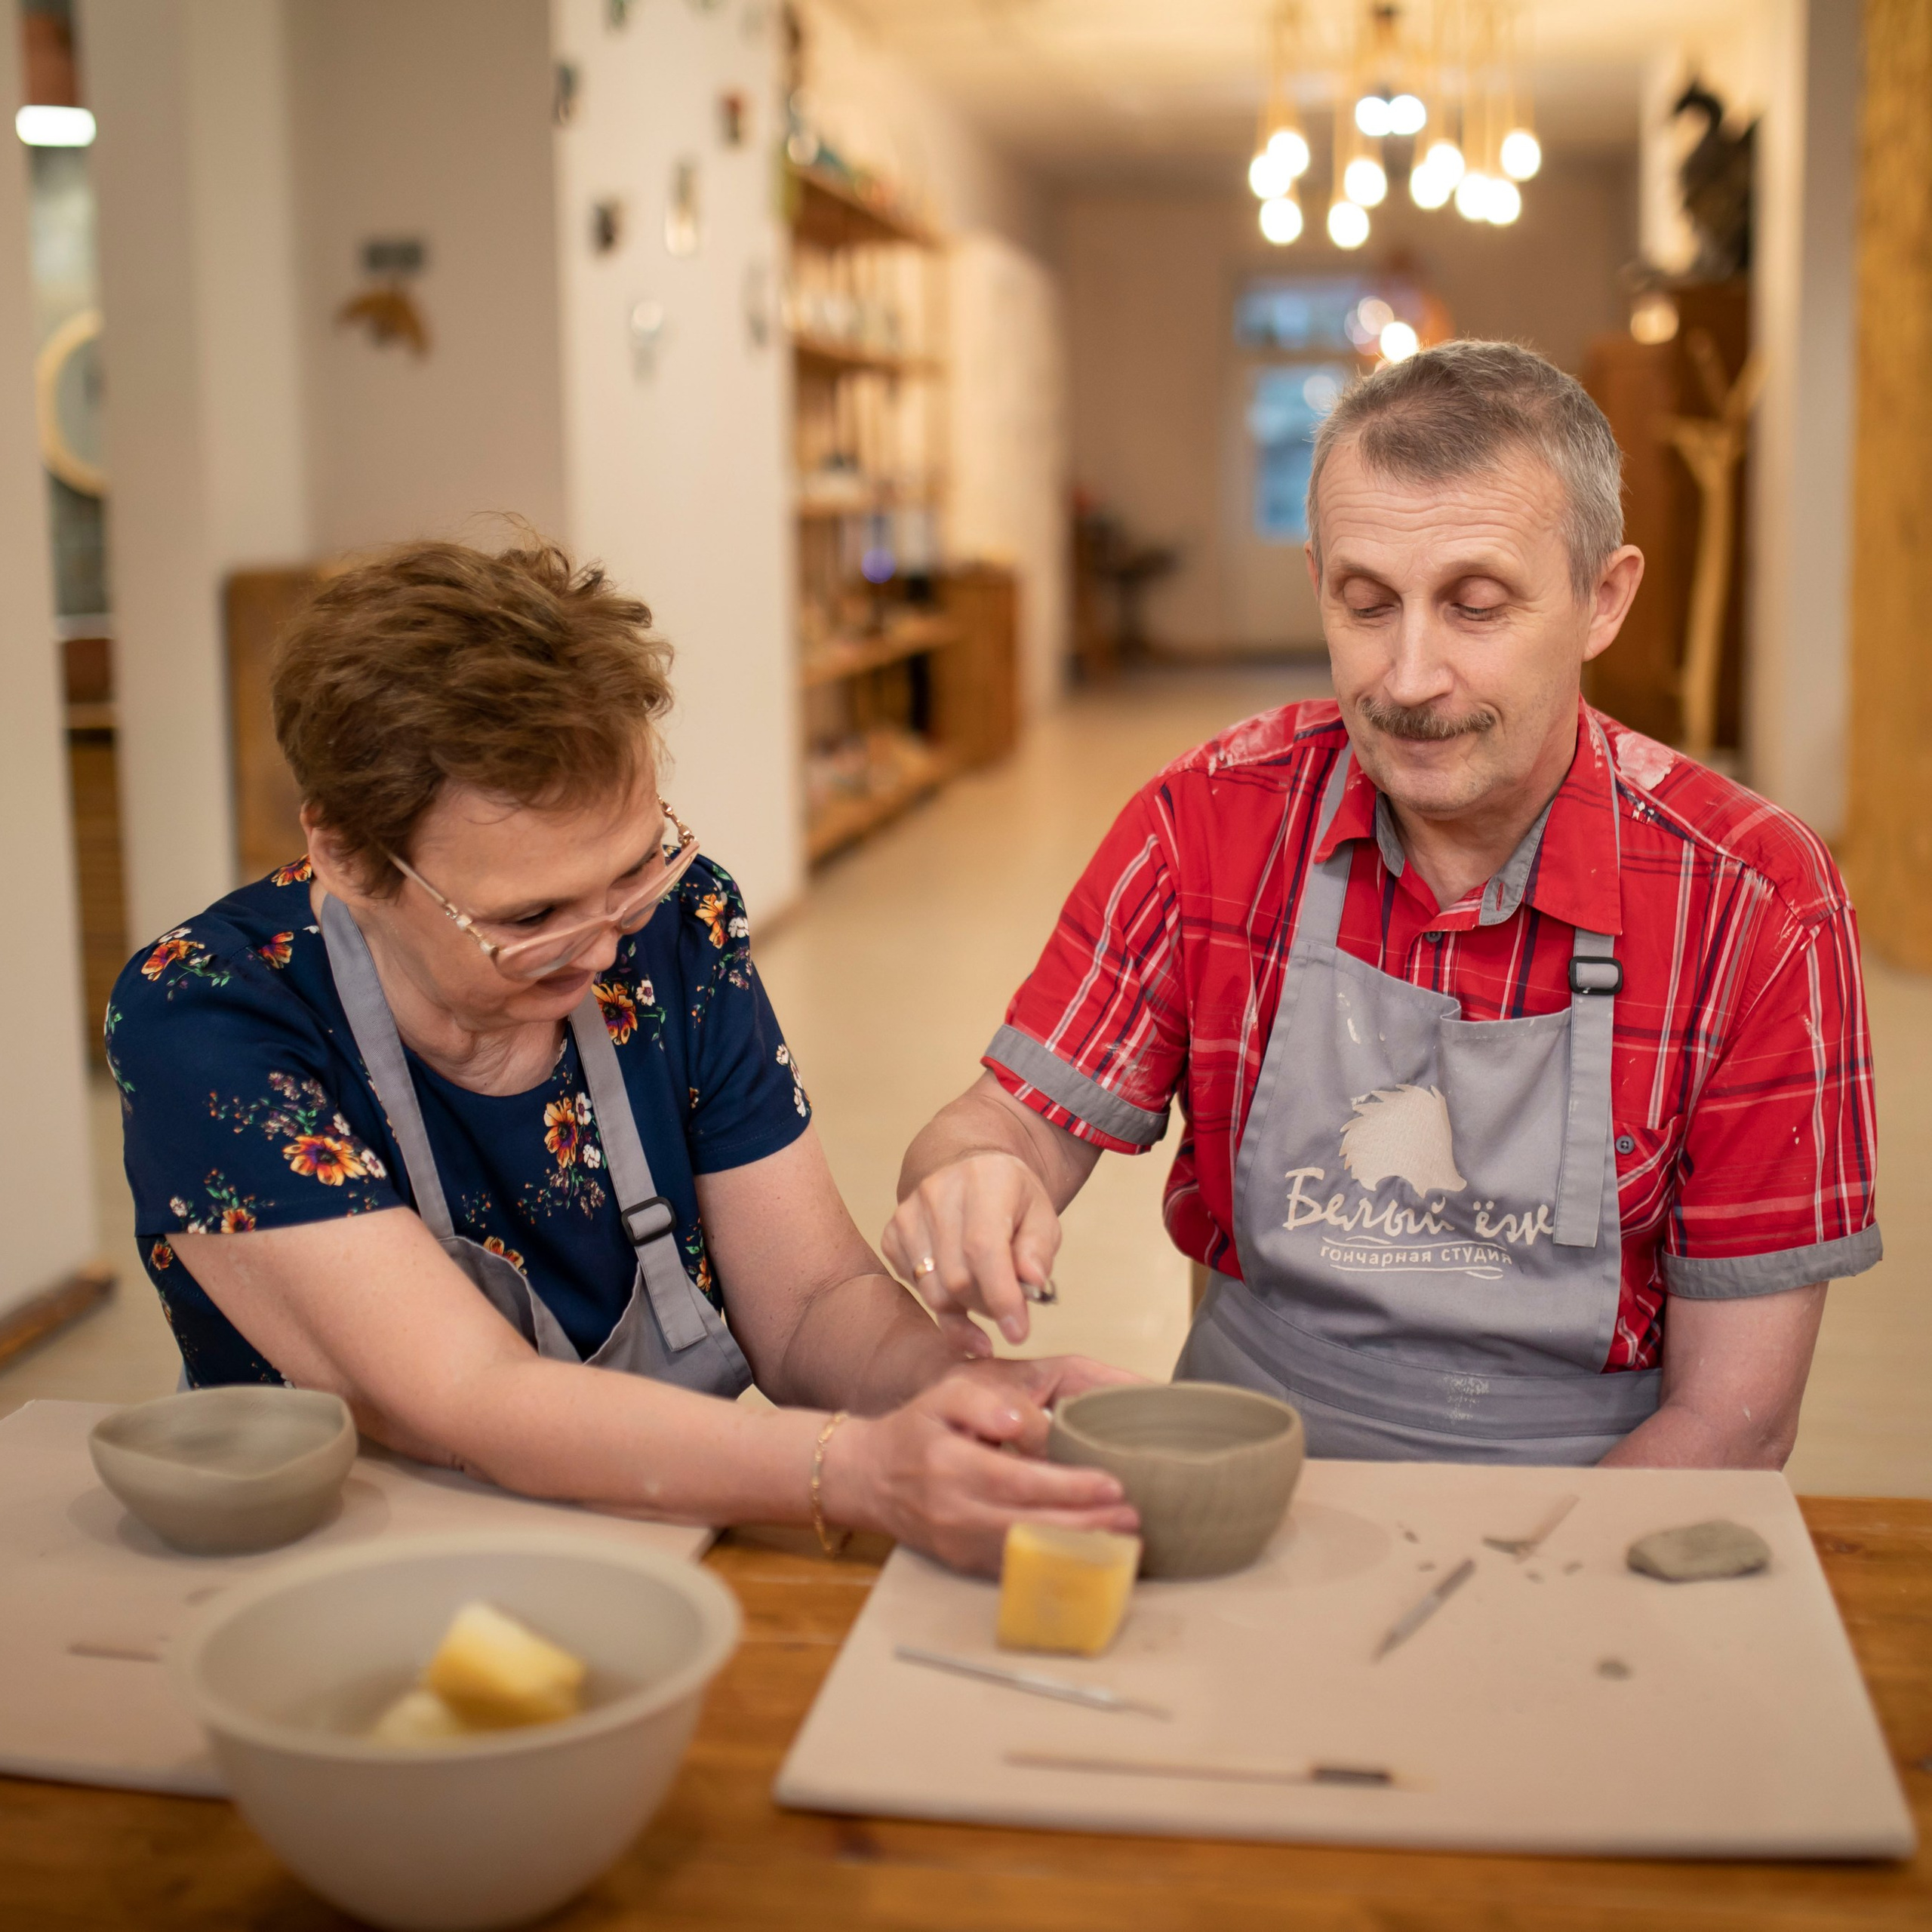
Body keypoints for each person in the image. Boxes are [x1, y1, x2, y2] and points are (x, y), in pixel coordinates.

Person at [887, 340, 1880, 1466]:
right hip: (1255, 1452)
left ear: (1604, 600)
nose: (1408, 678)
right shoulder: (1210, 821)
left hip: (1598, 1495)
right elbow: (1002, 1122)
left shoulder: (1759, 904)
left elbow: (1735, 1422)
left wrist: (1522, 1588)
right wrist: (968, 1176)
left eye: (1476, 606)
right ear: (1317, 583)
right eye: (1367, 604)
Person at [108, 537, 1137, 1572]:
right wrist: (857, 1470)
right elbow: (475, 1397)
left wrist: (954, 1390)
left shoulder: (677, 929)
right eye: (532, 914)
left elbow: (813, 1302)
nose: (604, 947)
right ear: (347, 856)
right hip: (348, 1571)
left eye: (634, 866)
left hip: (667, 1528)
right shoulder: (210, 1019)